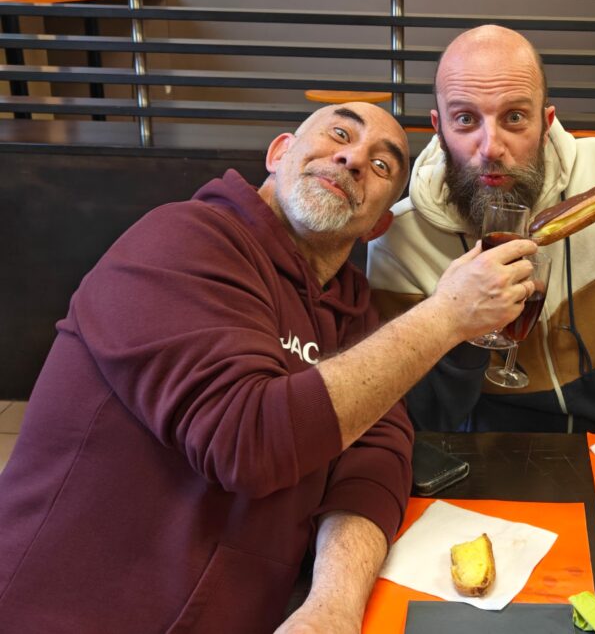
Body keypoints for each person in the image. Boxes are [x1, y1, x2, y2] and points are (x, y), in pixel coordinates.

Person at [0, 103, 538, 633]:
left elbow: (376, 462)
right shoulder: (181, 239)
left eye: (381, 165)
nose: (353, 159)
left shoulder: (352, 310)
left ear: (376, 225)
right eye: (339, 134)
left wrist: (333, 605)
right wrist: (447, 315)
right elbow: (246, 441)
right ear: (279, 154)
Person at [367, 25, 595, 433]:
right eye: (465, 119)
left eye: (515, 117)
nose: (491, 147)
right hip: (480, 459)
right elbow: (420, 418)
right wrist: (455, 321)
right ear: (439, 127)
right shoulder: (401, 238)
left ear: (546, 122)